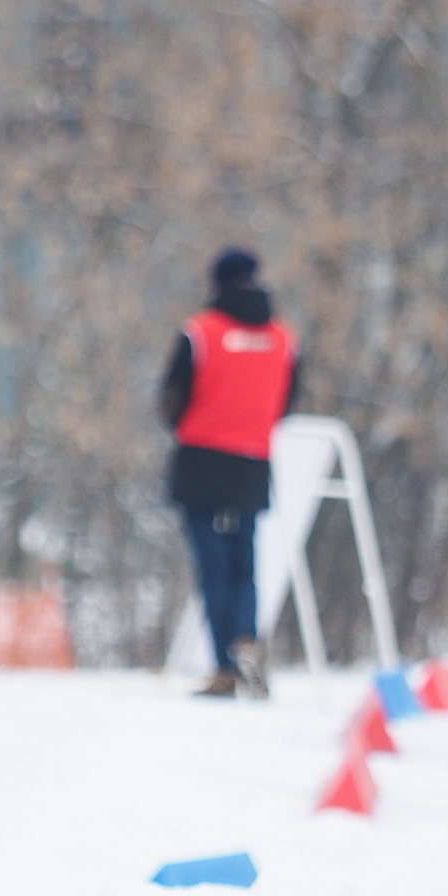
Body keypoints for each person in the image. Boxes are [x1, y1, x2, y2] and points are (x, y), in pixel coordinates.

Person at [158, 248, 299, 699]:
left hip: (202, 458)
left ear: (216, 282)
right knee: (245, 563)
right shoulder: (284, 339)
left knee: (212, 566)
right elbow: (288, 400)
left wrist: (191, 426)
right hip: (253, 460)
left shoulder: (200, 333)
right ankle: (247, 643)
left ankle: (224, 665)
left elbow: (172, 396)